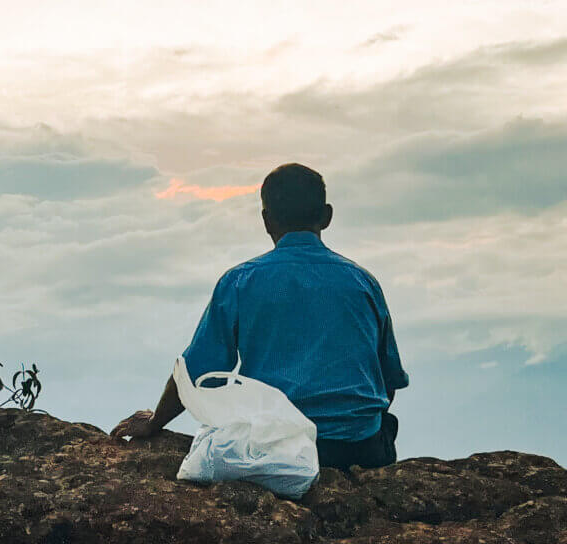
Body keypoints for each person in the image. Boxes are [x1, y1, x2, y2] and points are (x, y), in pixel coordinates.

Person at [111, 163, 408, 472]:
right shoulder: (363, 283)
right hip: (360, 449)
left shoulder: (240, 281)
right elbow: (388, 384)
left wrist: (156, 421)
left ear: (266, 220)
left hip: (279, 449)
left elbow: (196, 372)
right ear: (327, 216)